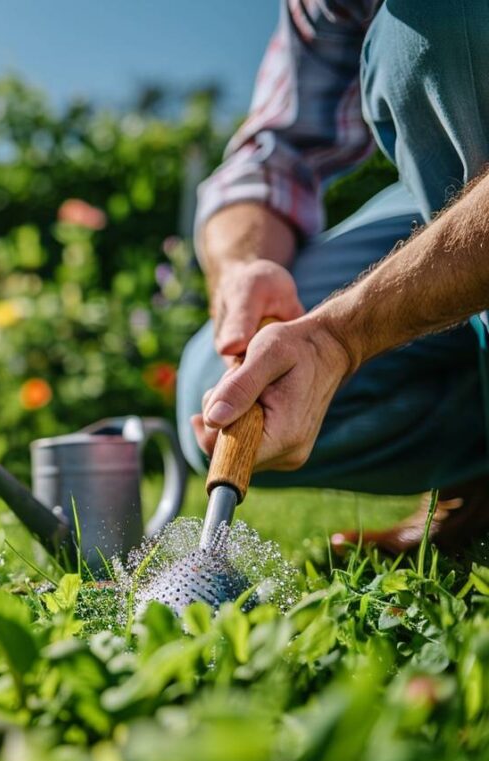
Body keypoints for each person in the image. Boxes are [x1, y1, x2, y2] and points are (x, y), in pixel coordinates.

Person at [177, 0, 489, 552]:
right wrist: (245, 267)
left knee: (436, 21)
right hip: (461, 201)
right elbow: (275, 152)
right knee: (212, 388)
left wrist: (339, 337)